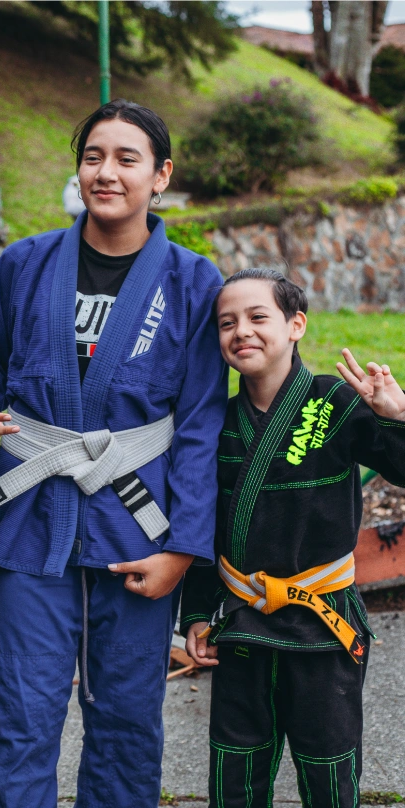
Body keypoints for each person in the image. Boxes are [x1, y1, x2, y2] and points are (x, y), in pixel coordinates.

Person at [0, 99, 229, 807]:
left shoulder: (193, 283)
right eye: (93, 156)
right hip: (31, 520)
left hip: (137, 532)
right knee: (16, 715)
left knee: (127, 720)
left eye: (126, 159)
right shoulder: (26, 263)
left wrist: (183, 548)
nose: (106, 172)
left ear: (159, 175)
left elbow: (198, 425)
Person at [182, 267, 405, 808]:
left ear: (295, 325)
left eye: (259, 317)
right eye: (227, 323)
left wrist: (396, 417)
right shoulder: (216, 420)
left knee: (329, 770)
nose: (242, 332)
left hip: (323, 622)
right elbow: (201, 527)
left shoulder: (337, 401)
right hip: (242, 622)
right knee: (234, 775)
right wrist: (195, 614)